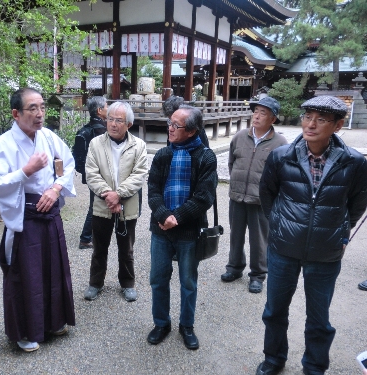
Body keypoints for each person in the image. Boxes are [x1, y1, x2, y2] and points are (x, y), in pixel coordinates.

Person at [256, 96, 367, 375]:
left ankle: (315, 366)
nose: (311, 124)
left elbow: (357, 203)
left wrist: (341, 231)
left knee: (319, 319)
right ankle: (273, 358)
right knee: (274, 311)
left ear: (338, 125)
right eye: (307, 117)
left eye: (321, 119)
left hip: (326, 252)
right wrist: (280, 226)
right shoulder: (282, 156)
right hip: (283, 248)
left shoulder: (354, 162)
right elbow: (267, 194)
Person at [0, 87, 76, 352]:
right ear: (16, 113)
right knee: (27, 275)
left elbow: (68, 164)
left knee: (54, 270)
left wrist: (56, 188)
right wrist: (26, 171)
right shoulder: (5, 143)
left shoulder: (48, 137)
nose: (39, 114)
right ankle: (26, 331)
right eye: (32, 108)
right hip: (26, 217)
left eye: (42, 107)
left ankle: (54, 321)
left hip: (50, 213)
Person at [147, 106, 217, 350]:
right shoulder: (162, 154)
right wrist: (163, 215)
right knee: (158, 278)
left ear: (191, 131)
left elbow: (204, 197)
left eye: (176, 125)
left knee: (188, 281)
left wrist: (176, 217)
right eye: (170, 123)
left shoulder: (205, 157)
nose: (170, 128)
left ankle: (187, 325)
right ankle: (161, 323)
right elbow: (153, 189)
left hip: (189, 230)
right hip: (161, 228)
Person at [221, 96, 287, 293]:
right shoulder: (240, 136)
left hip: (262, 201)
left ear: (273, 119)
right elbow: (232, 163)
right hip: (237, 196)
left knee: (259, 240)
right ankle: (234, 268)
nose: (256, 116)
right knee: (236, 236)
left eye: (263, 113)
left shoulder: (280, 143)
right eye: (256, 111)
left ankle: (258, 275)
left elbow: (283, 174)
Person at [83, 101, 148, 302]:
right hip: (102, 205)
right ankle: (95, 283)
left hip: (127, 206)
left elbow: (140, 174)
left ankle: (127, 283)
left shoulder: (139, 145)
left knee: (126, 248)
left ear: (128, 124)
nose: (113, 124)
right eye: (110, 119)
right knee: (99, 247)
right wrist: (108, 195)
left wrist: (118, 194)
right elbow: (91, 173)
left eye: (118, 120)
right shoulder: (96, 144)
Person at [73, 96, 107, 249]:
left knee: (98, 203)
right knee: (96, 205)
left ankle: (92, 235)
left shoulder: (84, 130)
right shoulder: (101, 131)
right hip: (100, 174)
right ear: (99, 111)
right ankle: (85, 238)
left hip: (90, 173)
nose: (109, 109)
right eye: (107, 106)